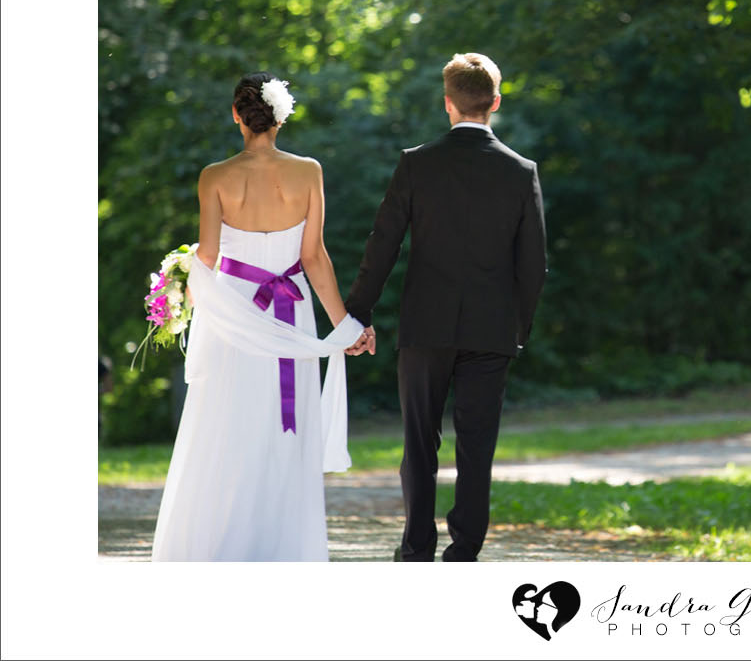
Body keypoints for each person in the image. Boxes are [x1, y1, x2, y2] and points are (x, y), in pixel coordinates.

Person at [150, 72, 370, 561]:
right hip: (293, 314)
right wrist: (345, 327)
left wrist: (173, 293)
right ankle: (282, 546)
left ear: (237, 116)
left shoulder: (214, 176)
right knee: (281, 429)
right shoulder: (309, 171)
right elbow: (314, 257)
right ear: (280, 117)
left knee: (230, 423)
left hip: (233, 313)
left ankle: (223, 543)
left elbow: (206, 256)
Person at [345, 52, 547, 561]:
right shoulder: (521, 172)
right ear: (495, 102)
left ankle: (416, 545)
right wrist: (516, 328)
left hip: (426, 325)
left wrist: (358, 314)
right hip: (491, 329)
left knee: (419, 440)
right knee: (476, 446)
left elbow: (383, 244)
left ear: (447, 104)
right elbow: (533, 264)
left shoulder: (417, 163)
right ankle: (464, 549)